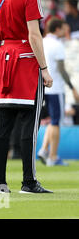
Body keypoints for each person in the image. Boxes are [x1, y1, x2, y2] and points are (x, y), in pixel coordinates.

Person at [0, 0, 53, 194]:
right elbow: (34, 35)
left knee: (1, 127)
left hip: (4, 59)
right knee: (29, 125)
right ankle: (29, 181)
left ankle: (0, 182)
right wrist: (44, 69)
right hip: (25, 60)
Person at [38, 18, 79, 166]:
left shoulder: (42, 41)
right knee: (56, 122)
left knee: (52, 120)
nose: (65, 31)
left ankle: (44, 149)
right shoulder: (57, 45)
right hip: (55, 88)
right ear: (57, 29)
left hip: (45, 88)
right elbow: (62, 70)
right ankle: (53, 157)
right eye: (63, 29)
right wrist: (72, 88)